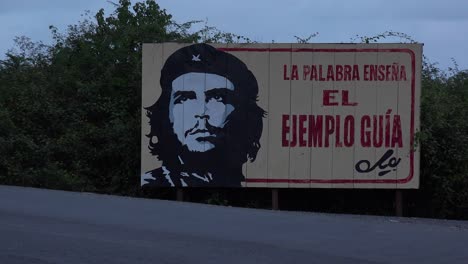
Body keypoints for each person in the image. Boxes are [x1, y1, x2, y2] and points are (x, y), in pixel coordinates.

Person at [143, 43, 266, 187]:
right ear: (165, 113)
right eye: (184, 98)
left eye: (218, 97)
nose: (201, 112)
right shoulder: (149, 182)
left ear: (245, 114)